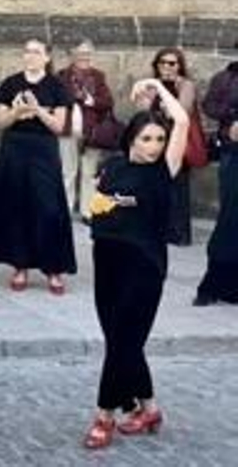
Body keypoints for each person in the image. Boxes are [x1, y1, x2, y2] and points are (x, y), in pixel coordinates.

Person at [81, 79, 190, 450]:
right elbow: (97, 208)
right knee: (121, 341)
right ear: (131, 139)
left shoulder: (164, 171)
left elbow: (184, 122)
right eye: (147, 139)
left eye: (160, 140)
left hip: (144, 266)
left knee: (122, 343)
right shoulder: (112, 167)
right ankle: (149, 409)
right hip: (107, 261)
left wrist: (159, 87)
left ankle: (104, 415)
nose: (155, 146)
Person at [0, 39, 77, 295]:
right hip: (15, 149)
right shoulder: (11, 83)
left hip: (43, 150)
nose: (30, 56)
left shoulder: (57, 85)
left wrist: (38, 111)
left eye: (36, 52)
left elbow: (58, 126)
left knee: (49, 208)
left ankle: (53, 269)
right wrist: (18, 112)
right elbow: (1, 122)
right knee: (17, 206)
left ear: (46, 58)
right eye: (27, 51)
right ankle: (19, 266)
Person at [196, 43, 238, 306]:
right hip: (234, 153)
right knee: (230, 218)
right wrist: (233, 117)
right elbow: (210, 105)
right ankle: (212, 285)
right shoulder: (226, 77)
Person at [58, 41, 118, 217]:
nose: (84, 56)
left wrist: (90, 101)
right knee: (67, 171)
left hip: (92, 132)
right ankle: (65, 209)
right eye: (80, 52)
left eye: (87, 52)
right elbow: (56, 99)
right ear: (72, 54)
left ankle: (87, 212)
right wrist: (72, 98)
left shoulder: (98, 76)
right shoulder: (61, 76)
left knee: (89, 172)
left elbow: (108, 102)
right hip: (67, 130)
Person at [149, 48, 198, 246]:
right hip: (156, 140)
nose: (167, 67)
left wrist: (167, 108)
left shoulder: (186, 85)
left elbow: (183, 112)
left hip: (178, 141)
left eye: (172, 63)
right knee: (156, 185)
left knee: (178, 186)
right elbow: (143, 109)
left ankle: (179, 234)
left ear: (180, 66)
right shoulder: (153, 85)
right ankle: (159, 229)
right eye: (163, 62)